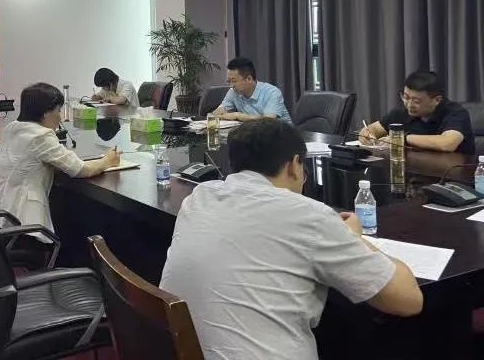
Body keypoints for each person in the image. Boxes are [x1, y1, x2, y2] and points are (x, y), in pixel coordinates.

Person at [160, 120, 422, 360]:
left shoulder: (198, 198)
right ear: (294, 164)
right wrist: (355, 238)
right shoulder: (308, 215)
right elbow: (408, 300)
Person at [0, 83, 121, 255]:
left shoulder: (12, 129)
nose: (60, 117)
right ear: (46, 113)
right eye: (58, 111)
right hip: (22, 226)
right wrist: (107, 161)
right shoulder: (40, 135)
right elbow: (81, 169)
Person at [359, 71, 474, 154]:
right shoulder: (401, 113)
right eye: (406, 97)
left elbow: (447, 143)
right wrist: (367, 135)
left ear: (437, 100)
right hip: (415, 172)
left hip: (453, 175)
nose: (409, 105)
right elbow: (373, 129)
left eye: (416, 101)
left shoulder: (455, 113)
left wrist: (402, 139)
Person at [216, 57, 292, 123]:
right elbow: (220, 110)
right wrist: (219, 112)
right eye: (229, 81)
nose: (231, 85)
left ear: (249, 79)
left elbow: (268, 121)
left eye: (234, 81)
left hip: (281, 133)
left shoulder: (272, 92)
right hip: (254, 132)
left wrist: (238, 115)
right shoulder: (233, 92)